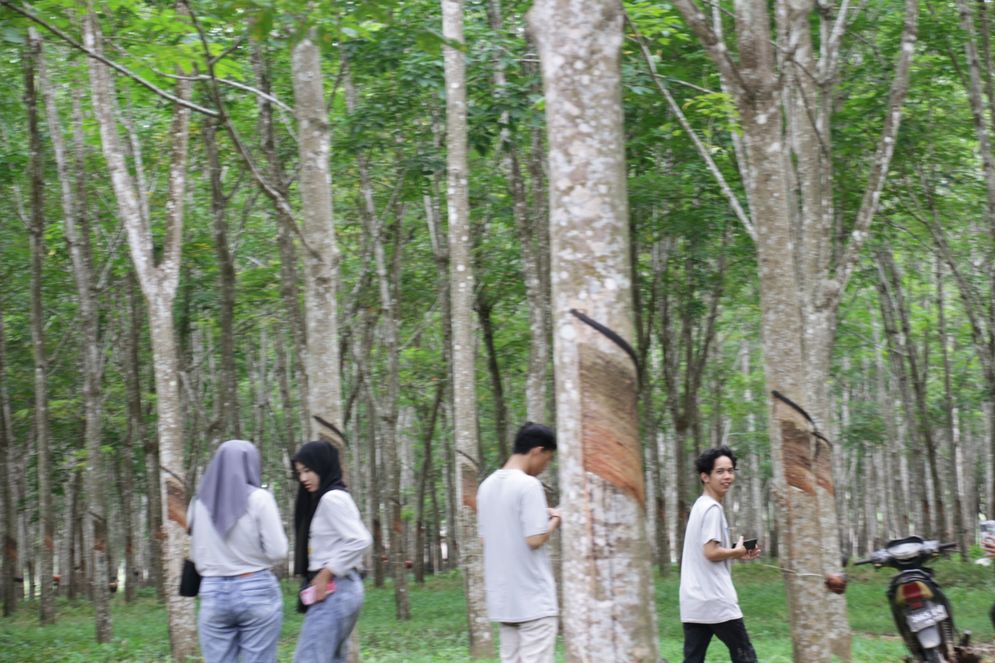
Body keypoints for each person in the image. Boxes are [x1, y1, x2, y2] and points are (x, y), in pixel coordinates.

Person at [189, 439, 288, 663]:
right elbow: (278, 551)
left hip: (212, 590)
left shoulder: (199, 503)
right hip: (255, 586)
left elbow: (196, 555)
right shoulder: (260, 499)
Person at [477, 422, 560, 663]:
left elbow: (486, 539)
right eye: (547, 459)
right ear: (537, 451)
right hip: (534, 600)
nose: (545, 467)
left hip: (504, 601)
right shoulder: (528, 484)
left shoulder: (486, 486)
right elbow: (535, 539)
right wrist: (556, 518)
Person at [679, 445, 761, 663]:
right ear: (705, 476)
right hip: (715, 600)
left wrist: (736, 553)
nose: (727, 476)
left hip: (693, 601)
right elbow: (711, 552)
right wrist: (736, 551)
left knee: (693, 660)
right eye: (720, 471)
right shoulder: (712, 509)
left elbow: (708, 551)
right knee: (745, 656)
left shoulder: (699, 506)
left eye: (730, 470)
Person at [291, 441, 372, 663]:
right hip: (341, 588)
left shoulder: (331, 498)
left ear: (322, 465)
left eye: (308, 470)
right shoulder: (331, 496)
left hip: (335, 590)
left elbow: (360, 539)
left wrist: (327, 572)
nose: (303, 478)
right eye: (300, 473)